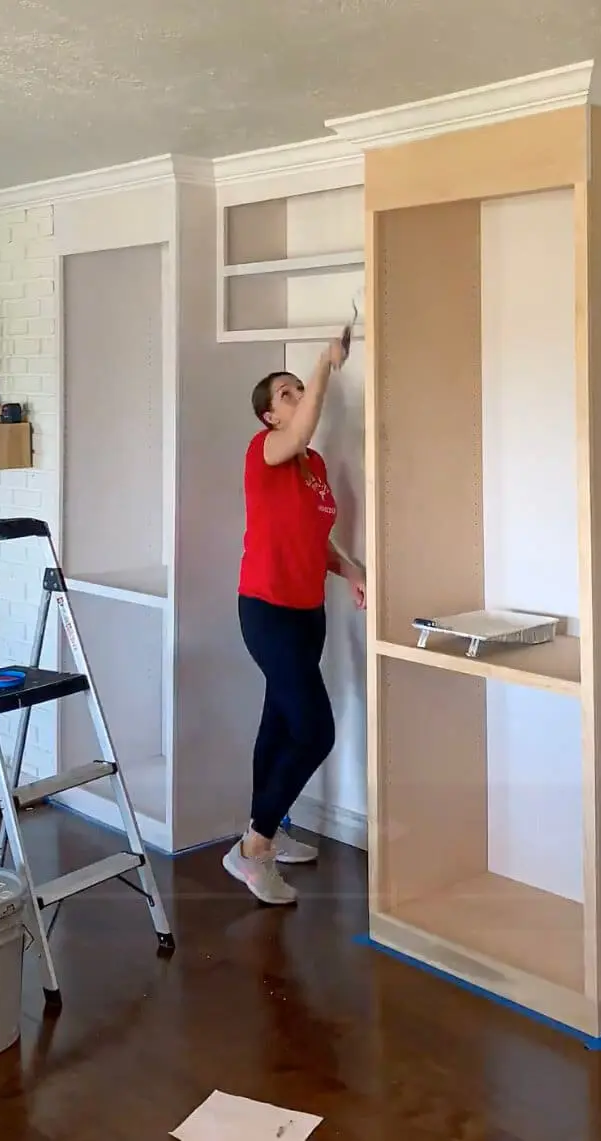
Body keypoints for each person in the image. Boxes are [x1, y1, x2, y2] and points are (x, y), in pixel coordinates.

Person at [223, 336, 366, 905]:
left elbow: (315, 537)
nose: (299, 396)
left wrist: (351, 569)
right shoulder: (264, 450)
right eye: (288, 394)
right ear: (270, 415)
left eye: (299, 389)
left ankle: (269, 827)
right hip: (266, 610)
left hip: (308, 613)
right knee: (315, 729)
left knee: (280, 722)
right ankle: (253, 849)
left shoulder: (316, 467)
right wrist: (324, 362)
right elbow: (303, 430)